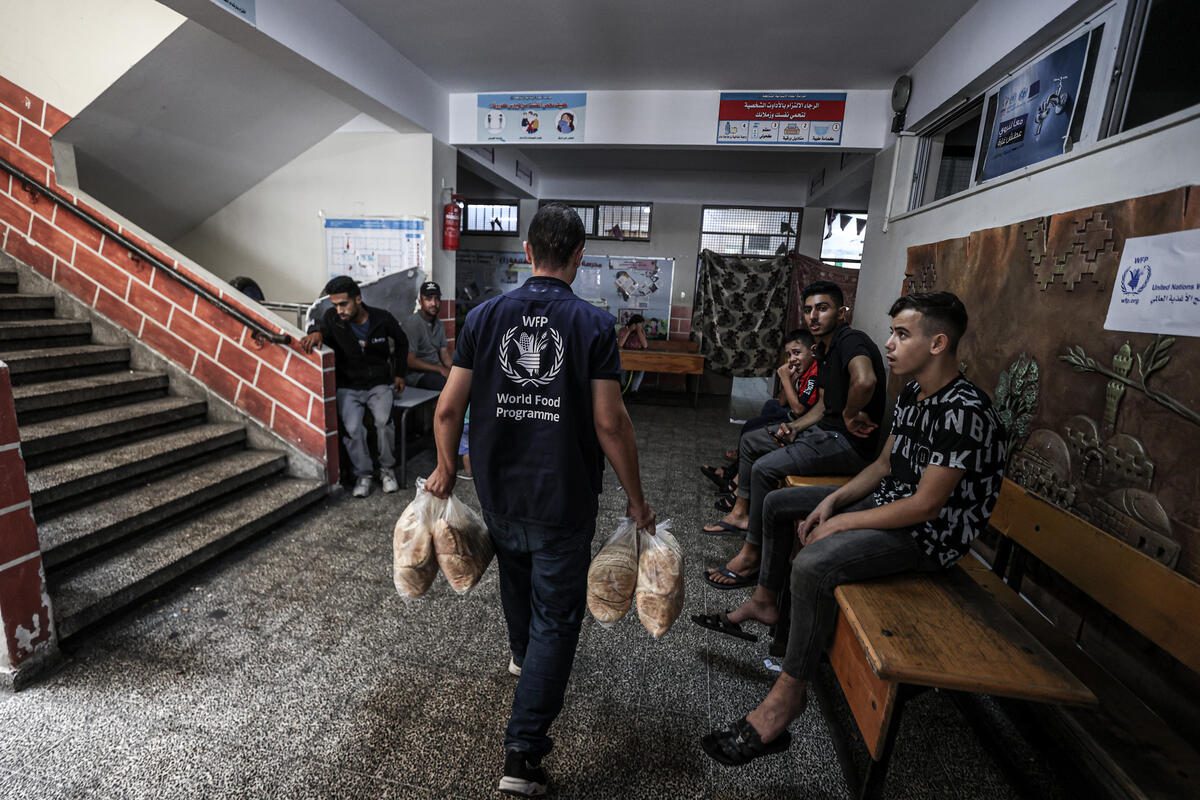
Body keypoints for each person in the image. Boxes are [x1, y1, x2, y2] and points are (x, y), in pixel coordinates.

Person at [696, 291, 1007, 767]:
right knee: (780, 503)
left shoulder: (964, 409)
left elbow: (925, 506)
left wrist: (841, 520)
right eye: (893, 333)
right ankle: (764, 602)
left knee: (816, 563)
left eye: (903, 335)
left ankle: (786, 698)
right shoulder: (914, 394)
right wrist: (834, 499)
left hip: (929, 539)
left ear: (939, 342)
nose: (890, 344)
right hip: (889, 504)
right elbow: (884, 465)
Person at [425, 203, 655, 798]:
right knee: (558, 614)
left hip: (498, 489)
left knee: (515, 573)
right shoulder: (593, 325)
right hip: (563, 496)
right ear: (579, 258)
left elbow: (448, 408)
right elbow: (611, 423)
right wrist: (636, 498)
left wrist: (449, 467)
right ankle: (523, 757)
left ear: (527, 253)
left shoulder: (483, 316)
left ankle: (524, 660)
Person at [701, 281, 886, 590]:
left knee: (764, 468)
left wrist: (851, 414)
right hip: (821, 432)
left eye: (823, 308)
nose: (814, 316)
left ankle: (751, 554)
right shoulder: (824, 350)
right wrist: (795, 428)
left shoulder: (852, 340)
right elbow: (824, 407)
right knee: (751, 440)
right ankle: (741, 513)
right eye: (809, 309)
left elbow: (865, 380)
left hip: (847, 445)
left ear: (842, 312)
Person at [301, 276, 408, 497]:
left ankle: (387, 470)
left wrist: (399, 373)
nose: (339, 309)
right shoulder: (333, 319)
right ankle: (364, 475)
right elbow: (318, 323)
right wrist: (316, 331)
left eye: (343, 304)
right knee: (353, 429)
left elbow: (402, 342)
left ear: (357, 299)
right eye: (335, 305)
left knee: (383, 423)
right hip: (348, 386)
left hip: (379, 384)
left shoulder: (381, 318)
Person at [701, 328, 820, 498]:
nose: (792, 359)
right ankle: (732, 472)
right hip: (792, 413)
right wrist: (791, 379)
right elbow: (782, 401)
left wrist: (785, 378)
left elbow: (799, 410)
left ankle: (732, 479)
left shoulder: (814, 373)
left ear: (812, 351)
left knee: (751, 428)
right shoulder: (802, 369)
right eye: (789, 354)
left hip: (801, 423)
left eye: (797, 352)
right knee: (770, 406)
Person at [402, 281, 453, 390]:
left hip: (437, 371)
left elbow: (444, 355)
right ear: (420, 301)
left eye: (437, 298)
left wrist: (455, 371)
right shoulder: (412, 324)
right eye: (428, 299)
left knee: (464, 381)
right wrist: (440, 369)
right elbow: (410, 361)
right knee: (447, 386)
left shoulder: (439, 324)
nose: (434, 303)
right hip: (417, 375)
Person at [617, 313, 648, 394]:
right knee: (623, 368)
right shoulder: (623, 330)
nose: (641, 326)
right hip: (625, 358)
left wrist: (639, 331)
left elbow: (645, 345)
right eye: (640, 324)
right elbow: (620, 344)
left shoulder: (641, 332)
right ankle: (623, 386)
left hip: (637, 358)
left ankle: (634, 390)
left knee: (641, 369)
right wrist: (629, 331)